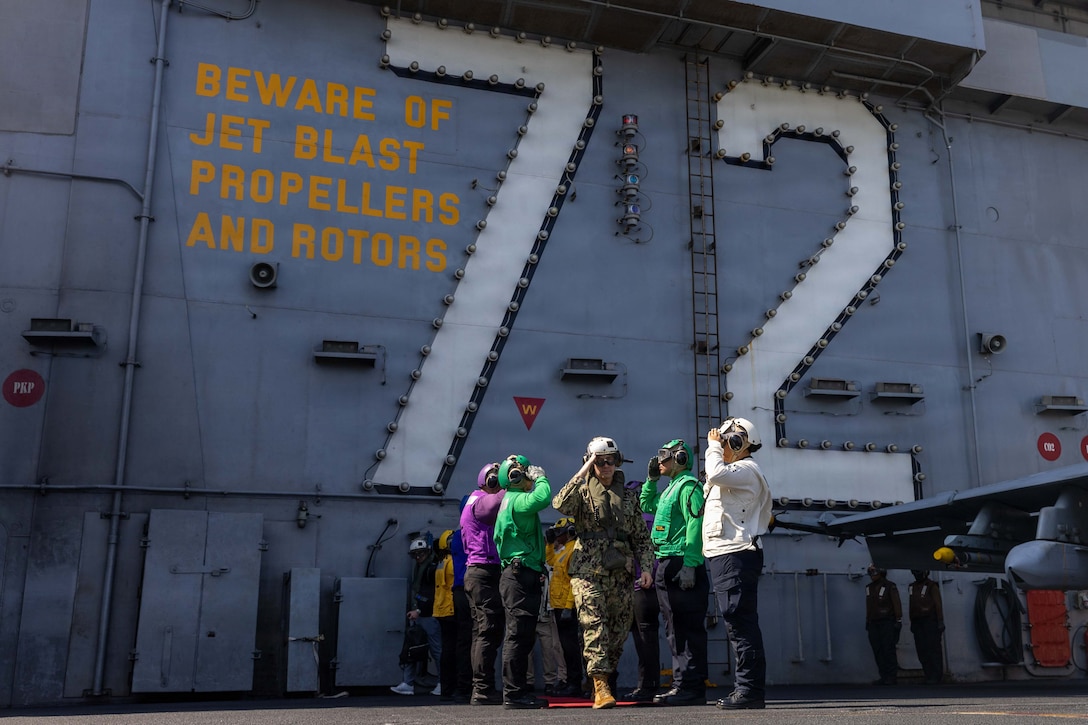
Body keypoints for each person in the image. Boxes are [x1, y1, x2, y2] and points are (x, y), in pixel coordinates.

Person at [553, 436, 654, 710]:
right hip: (587, 572)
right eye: (600, 461)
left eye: (611, 461)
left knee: (617, 633)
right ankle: (601, 687)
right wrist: (584, 470)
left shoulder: (630, 498)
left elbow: (641, 539)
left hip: (620, 574)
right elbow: (560, 504)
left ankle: (598, 677)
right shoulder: (582, 492)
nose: (607, 466)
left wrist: (645, 568)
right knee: (594, 626)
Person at [704, 417, 772, 710]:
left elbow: (716, 473)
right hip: (725, 554)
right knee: (736, 623)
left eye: (729, 441)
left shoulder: (746, 469)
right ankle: (746, 689)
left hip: (736, 554)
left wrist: (711, 448)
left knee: (740, 623)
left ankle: (750, 691)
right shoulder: (734, 472)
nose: (723, 446)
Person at [641, 440, 708, 706]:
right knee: (673, 628)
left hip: (682, 562)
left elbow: (696, 525)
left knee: (687, 627)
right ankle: (682, 683)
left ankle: (690, 686)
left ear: (679, 459)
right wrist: (651, 479)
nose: (660, 462)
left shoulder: (690, 488)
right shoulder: (671, 489)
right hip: (667, 563)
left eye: (664, 458)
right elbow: (647, 504)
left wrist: (691, 564)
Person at [494, 453, 553, 709]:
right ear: (516, 477)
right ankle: (514, 694)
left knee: (523, 635)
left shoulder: (509, 499)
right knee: (518, 636)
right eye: (525, 472)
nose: (529, 475)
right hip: (519, 575)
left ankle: (517, 691)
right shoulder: (518, 500)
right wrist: (541, 479)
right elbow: (543, 498)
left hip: (520, 572)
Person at [459, 463, 506, 706]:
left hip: (480, 571)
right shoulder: (479, 501)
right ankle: (482, 689)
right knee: (487, 631)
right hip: (484, 571)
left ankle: (483, 687)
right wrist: (513, 484)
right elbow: (495, 504)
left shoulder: (471, 499)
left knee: (484, 632)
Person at [391, 537, 443, 695]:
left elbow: (432, 593)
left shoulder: (430, 569)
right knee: (412, 648)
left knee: (436, 650)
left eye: (421, 554)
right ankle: (408, 683)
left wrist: (419, 610)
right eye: (415, 555)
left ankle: (442, 682)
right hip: (421, 614)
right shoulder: (424, 568)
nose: (418, 557)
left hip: (428, 614)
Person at [624, 497, 662, 702]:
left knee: (644, 637)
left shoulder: (641, 522)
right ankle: (647, 684)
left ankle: (647, 685)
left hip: (642, 586)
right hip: (645, 585)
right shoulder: (649, 519)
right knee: (644, 637)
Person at [435, 529, 472, 703]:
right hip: (452, 607)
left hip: (441, 610)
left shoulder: (441, 562)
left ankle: (446, 688)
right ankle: (461, 686)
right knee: (461, 647)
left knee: (447, 649)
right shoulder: (453, 563)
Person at [546, 517, 582, 697]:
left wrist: (569, 606)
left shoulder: (574, 551)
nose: (558, 537)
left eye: (560, 534)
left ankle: (575, 683)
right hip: (558, 605)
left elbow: (574, 580)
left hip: (568, 607)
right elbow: (550, 561)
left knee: (571, 647)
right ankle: (568, 680)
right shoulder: (562, 551)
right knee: (564, 646)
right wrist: (549, 543)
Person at [865, 564, 902, 686]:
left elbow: (896, 603)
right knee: (878, 650)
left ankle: (892, 676)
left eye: (874, 572)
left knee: (888, 649)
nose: (872, 575)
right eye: (870, 573)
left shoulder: (889, 586)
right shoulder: (869, 588)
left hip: (887, 621)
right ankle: (884, 675)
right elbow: (869, 606)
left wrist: (898, 619)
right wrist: (868, 621)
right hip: (873, 622)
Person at [908, 569, 944, 684]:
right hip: (917, 621)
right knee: (922, 650)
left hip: (930, 620)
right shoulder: (912, 587)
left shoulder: (931, 586)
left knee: (933, 649)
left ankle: (936, 675)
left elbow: (938, 604)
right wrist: (912, 621)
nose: (917, 575)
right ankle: (928, 674)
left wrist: (940, 620)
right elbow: (911, 604)